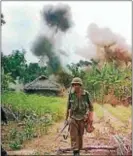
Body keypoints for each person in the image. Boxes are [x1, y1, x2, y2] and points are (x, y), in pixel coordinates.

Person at [65, 77, 94, 156]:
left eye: (77, 85)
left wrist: (90, 120)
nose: (76, 86)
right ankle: (75, 151)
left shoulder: (86, 94)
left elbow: (91, 108)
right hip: (73, 118)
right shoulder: (71, 94)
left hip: (82, 119)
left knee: (80, 135)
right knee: (73, 135)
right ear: (73, 85)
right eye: (74, 85)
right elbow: (68, 108)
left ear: (80, 85)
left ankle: (79, 149)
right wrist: (66, 119)